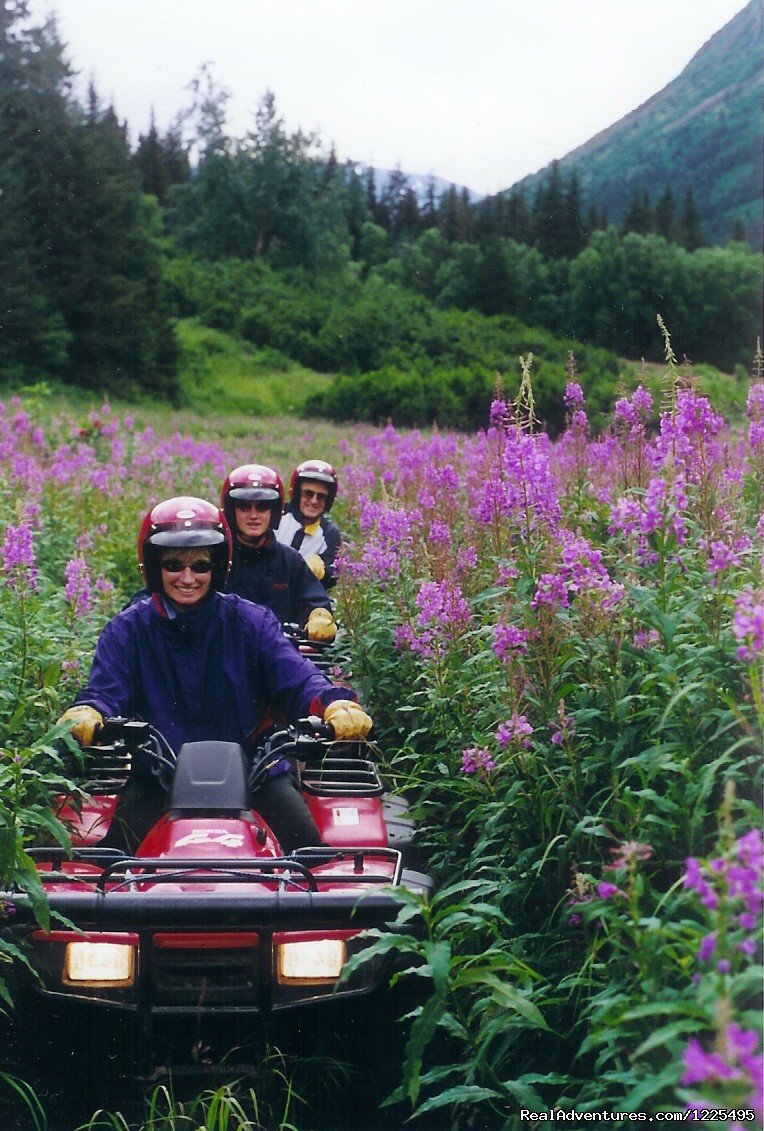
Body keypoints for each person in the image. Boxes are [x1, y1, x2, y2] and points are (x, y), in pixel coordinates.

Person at [57, 496, 372, 853]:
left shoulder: (253, 622)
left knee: (310, 859)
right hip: (160, 775)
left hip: (255, 771)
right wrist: (89, 710)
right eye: (174, 565)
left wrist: (334, 703)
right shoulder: (127, 630)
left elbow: (296, 674)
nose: (188, 578)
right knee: (112, 866)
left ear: (219, 567)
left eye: (201, 566)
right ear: (154, 568)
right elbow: (105, 688)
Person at [221, 463, 337, 642]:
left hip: (280, 654)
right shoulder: (218, 557)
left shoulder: (290, 560)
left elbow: (313, 598)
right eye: (244, 507)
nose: (253, 515)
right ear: (231, 511)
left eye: (262, 507)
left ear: (274, 512)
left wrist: (319, 616)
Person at [275, 459, 342, 589]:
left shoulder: (330, 533)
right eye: (308, 493)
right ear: (297, 494)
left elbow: (331, 580)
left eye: (321, 496)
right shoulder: (277, 514)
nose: (314, 501)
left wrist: (322, 572)